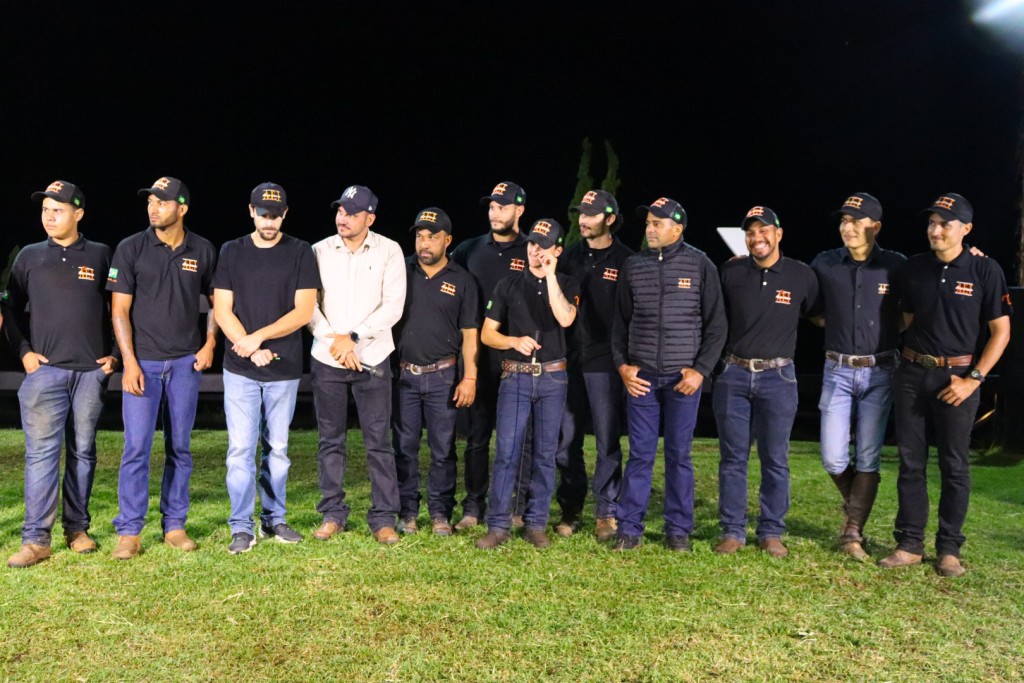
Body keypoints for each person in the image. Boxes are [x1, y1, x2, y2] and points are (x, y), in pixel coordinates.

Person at [879, 193, 1011, 577]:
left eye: (945, 224)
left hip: (958, 379)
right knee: (910, 463)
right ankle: (909, 544)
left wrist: (973, 380)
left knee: (954, 466)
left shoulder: (985, 270)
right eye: (932, 223)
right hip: (911, 373)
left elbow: (1001, 332)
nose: (935, 231)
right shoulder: (914, 268)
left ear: (966, 229)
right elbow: (904, 319)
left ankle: (949, 549)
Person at [5, 181, 118, 568]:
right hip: (45, 373)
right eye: (45, 211)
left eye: (58, 210)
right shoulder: (30, 257)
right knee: (41, 455)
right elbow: (10, 309)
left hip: (90, 373)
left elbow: (120, 308)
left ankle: (77, 529)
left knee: (83, 452)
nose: (49, 217)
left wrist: (114, 356)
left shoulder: (101, 254)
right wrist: (24, 353)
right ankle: (36, 539)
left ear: (78, 213)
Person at [107, 176, 218, 560]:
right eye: (150, 201)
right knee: (136, 448)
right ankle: (129, 530)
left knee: (180, 448)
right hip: (144, 365)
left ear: (182, 208)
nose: (153, 208)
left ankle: (174, 525)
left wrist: (210, 343)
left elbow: (218, 302)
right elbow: (119, 310)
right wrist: (129, 362)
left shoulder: (202, 249)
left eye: (162, 202)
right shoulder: (131, 248)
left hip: (185, 365)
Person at [610, 197, 726, 551]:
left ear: (678, 228)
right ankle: (630, 528)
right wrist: (623, 366)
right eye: (648, 223)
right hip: (642, 379)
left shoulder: (701, 264)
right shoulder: (634, 265)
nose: (650, 229)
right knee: (640, 454)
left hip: (682, 381)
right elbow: (620, 324)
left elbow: (717, 326)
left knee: (679, 455)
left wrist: (701, 371)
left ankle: (678, 530)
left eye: (657, 223)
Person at [212, 182, 320, 554]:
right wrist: (249, 346)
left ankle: (274, 519)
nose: (269, 222)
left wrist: (257, 338)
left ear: (284, 215)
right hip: (240, 368)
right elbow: (222, 309)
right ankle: (241, 527)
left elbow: (303, 312)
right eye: (263, 214)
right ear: (251, 211)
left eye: (275, 215)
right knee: (241, 449)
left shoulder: (301, 251)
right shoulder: (231, 251)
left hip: (283, 368)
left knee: (278, 450)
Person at [713, 206, 820, 558]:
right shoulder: (730, 272)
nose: (757, 238)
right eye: (750, 232)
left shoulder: (801, 275)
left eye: (763, 231)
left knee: (775, 458)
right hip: (733, 374)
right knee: (733, 458)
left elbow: (819, 315)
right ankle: (732, 530)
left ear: (779, 234)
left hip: (779, 376)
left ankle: (771, 531)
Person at [308, 185, 407, 544]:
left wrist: (353, 337)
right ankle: (332, 513)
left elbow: (392, 306)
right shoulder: (318, 250)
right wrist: (335, 340)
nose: (343, 218)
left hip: (373, 357)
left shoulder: (390, 250)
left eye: (352, 213)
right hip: (328, 358)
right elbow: (308, 305)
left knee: (378, 442)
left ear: (370, 218)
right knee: (329, 441)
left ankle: (383, 517)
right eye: (340, 211)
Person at [810, 193, 905, 560]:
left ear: (875, 226)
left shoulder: (896, 266)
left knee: (868, 455)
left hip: (880, 370)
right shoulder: (825, 263)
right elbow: (813, 310)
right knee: (833, 458)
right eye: (843, 220)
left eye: (855, 221)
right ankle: (856, 503)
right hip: (836, 369)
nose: (847, 227)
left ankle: (852, 532)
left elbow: (909, 315)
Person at [475, 218, 579, 549]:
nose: (535, 250)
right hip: (516, 376)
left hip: (553, 378)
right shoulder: (508, 284)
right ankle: (498, 525)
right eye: (532, 243)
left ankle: (536, 524)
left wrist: (550, 276)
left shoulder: (566, 283)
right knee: (506, 452)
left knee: (545, 454)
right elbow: (487, 334)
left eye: (543, 246)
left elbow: (565, 318)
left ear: (556, 251)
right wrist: (512, 341)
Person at [393, 208, 479, 536]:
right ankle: (407, 512)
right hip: (404, 376)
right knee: (405, 447)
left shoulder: (462, 280)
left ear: (448, 240)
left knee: (443, 449)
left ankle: (440, 512)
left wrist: (469, 377)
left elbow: (469, 334)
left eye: (432, 237)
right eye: (420, 236)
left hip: (444, 376)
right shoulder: (400, 270)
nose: (424, 243)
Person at [449, 181, 529, 530]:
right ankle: (473, 506)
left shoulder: (532, 249)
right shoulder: (470, 249)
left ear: (519, 210)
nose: (495, 213)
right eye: (492, 207)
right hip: (478, 360)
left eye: (502, 206)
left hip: (519, 361)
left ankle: (517, 507)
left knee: (519, 440)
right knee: (477, 438)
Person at [554, 189, 633, 540]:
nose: (583, 220)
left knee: (606, 441)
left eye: (591, 214)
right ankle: (570, 510)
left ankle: (606, 512)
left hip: (606, 364)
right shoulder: (568, 258)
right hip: (569, 362)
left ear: (610, 219)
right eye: (581, 213)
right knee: (566, 441)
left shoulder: (627, 261)